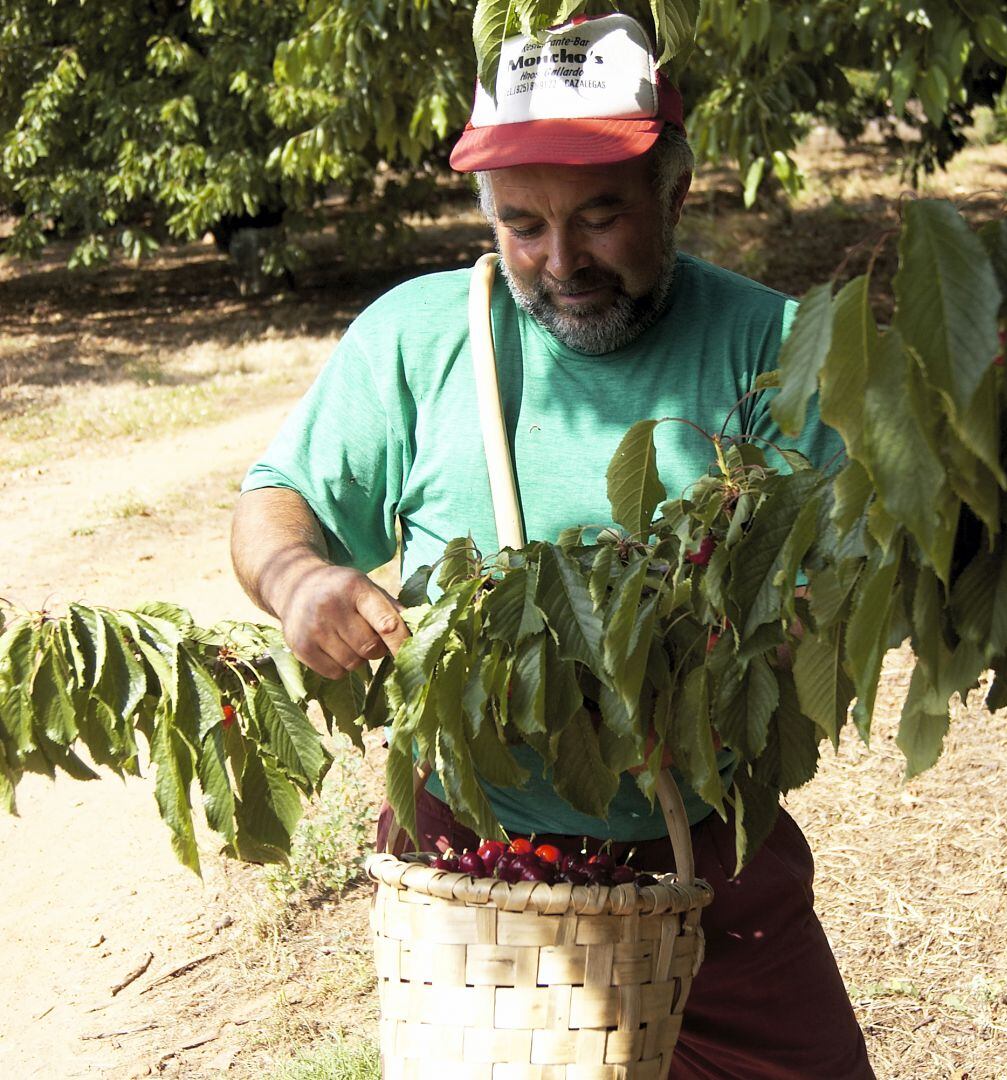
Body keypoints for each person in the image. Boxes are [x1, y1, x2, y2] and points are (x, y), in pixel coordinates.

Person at [231, 13, 876, 1079]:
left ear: (675, 191)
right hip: (475, 868)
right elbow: (278, 500)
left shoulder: (773, 346)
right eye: (522, 224)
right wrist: (300, 579)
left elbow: (823, 599)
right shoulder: (418, 336)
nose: (561, 261)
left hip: (700, 859)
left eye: (601, 216)